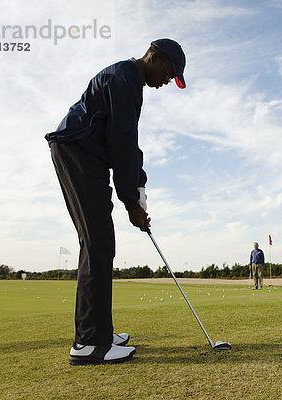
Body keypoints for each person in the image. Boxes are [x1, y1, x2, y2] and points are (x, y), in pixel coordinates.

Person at [45, 39, 186, 365]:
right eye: (169, 71)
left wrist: (139, 185)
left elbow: (128, 145)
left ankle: (99, 332)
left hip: (86, 154)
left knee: (100, 243)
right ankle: (90, 343)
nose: (167, 80)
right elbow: (122, 143)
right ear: (155, 56)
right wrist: (131, 204)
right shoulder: (124, 79)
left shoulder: (128, 80)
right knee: (98, 242)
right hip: (77, 152)